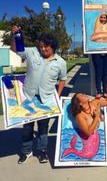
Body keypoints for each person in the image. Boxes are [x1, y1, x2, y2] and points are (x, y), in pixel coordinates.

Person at [11, 25, 67, 164]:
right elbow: (15, 49)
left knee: (43, 128)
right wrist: (14, 35)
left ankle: (42, 151)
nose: (43, 49)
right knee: (27, 127)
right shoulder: (32, 52)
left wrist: (57, 96)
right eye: (41, 46)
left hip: (46, 100)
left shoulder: (61, 62)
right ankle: (26, 151)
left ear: (53, 47)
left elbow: (63, 80)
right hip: (28, 97)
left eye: (46, 47)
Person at [66, 76, 107, 157]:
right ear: (79, 103)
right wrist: (97, 116)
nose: (84, 94)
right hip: (88, 144)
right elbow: (88, 132)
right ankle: (72, 150)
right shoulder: (79, 116)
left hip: (99, 139)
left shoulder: (94, 102)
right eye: (81, 95)